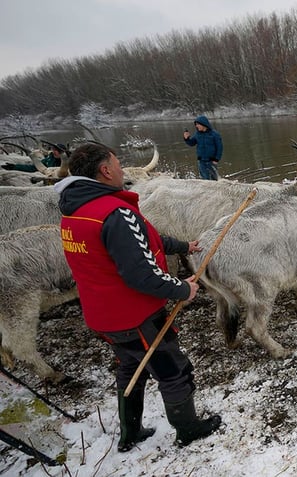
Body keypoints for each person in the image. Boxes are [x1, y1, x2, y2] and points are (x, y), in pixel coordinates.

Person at [54, 142, 222, 452]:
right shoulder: (115, 213)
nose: (121, 170)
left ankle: (130, 433)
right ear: (105, 171)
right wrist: (183, 289)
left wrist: (184, 246)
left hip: (102, 316)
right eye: (117, 164)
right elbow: (140, 274)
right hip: (136, 316)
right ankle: (188, 430)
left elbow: (143, 237)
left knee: (131, 369)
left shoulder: (76, 211)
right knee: (174, 371)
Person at [183, 115, 223, 180]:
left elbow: (220, 148)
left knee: (214, 179)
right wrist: (187, 139)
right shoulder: (197, 134)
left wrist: (216, 159)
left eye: (198, 124)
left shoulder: (215, 134)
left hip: (211, 161)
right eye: (196, 124)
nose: (196, 126)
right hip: (201, 161)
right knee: (205, 179)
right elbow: (191, 143)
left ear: (203, 124)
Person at [1, 143, 65, 171]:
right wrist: (15, 167)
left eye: (57, 150)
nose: (54, 152)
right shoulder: (49, 159)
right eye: (53, 150)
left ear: (63, 152)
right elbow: (33, 167)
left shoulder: (70, 161)